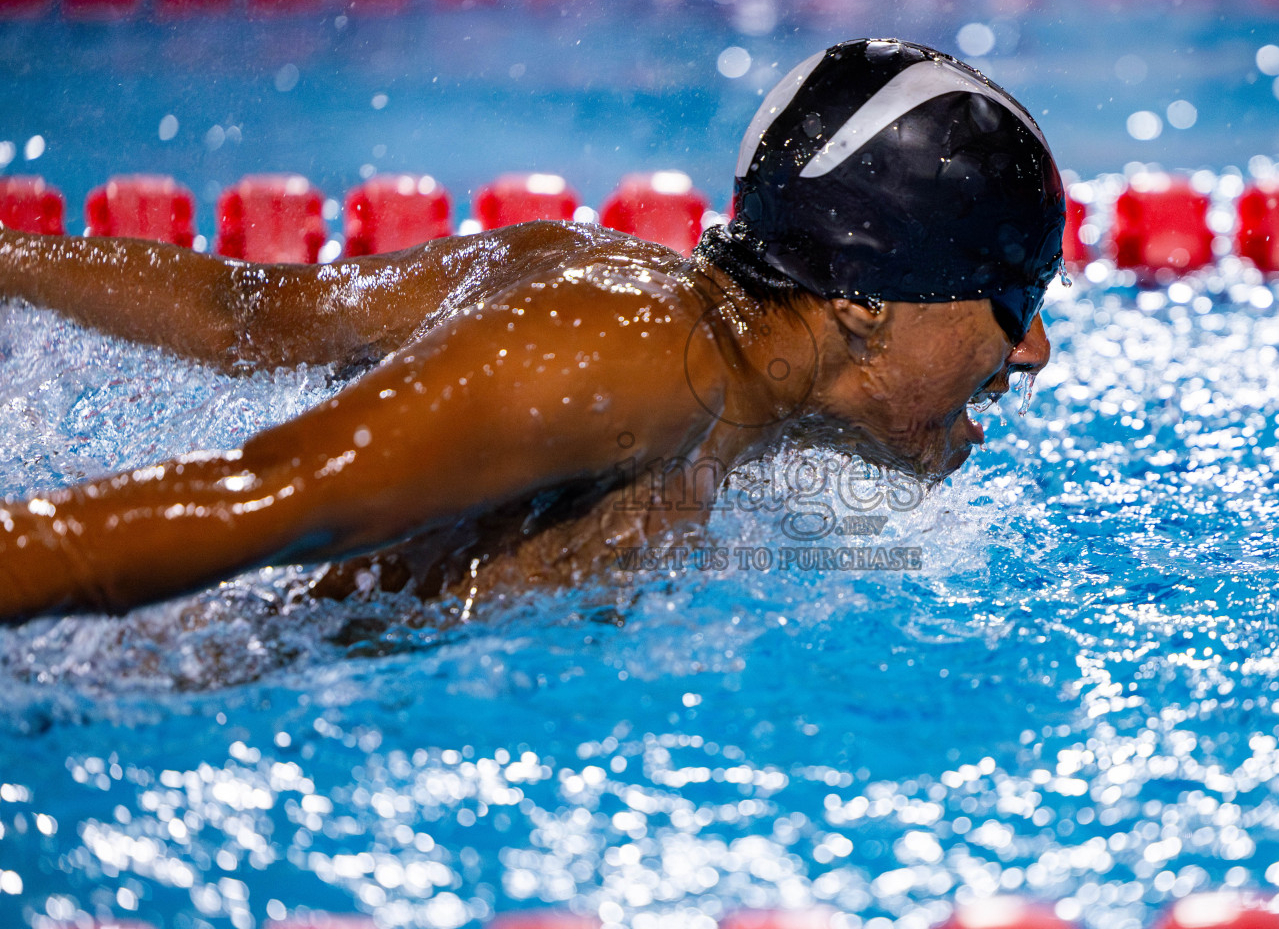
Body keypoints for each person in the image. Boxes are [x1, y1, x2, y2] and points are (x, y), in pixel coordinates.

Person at [0, 38, 1064, 621]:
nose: (1033, 349)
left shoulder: (690, 347)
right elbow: (251, 501)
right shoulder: (627, 359)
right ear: (866, 297)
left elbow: (249, 313)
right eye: (1015, 297)